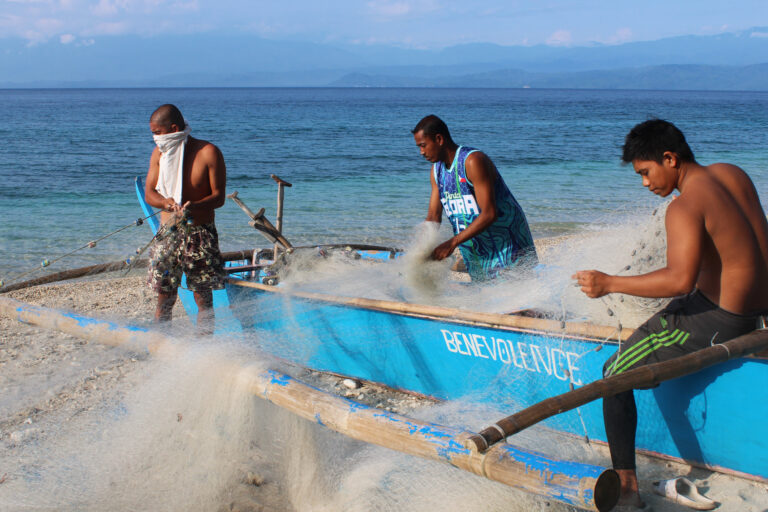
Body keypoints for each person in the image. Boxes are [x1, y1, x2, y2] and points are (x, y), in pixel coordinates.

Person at [573, 119, 768, 509]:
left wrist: (609, 283)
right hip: (758, 309)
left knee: (613, 375)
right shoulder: (732, 174)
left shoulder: (684, 206)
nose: (645, 184)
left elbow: (680, 281)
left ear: (669, 158)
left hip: (720, 318)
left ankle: (627, 489)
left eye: (646, 172)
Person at [412, 115, 537, 281]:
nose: (421, 152)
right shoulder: (436, 172)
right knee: (485, 297)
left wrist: (451, 243)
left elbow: (489, 213)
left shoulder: (472, 161)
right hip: (475, 251)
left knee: (517, 296)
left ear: (439, 139)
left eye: (423, 145)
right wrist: (419, 251)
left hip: (506, 245)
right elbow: (433, 217)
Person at [144, 104, 227, 333]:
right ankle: (161, 343)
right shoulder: (159, 154)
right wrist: (166, 203)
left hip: (200, 234)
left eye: (158, 133)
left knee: (204, 300)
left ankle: (204, 349)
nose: (155, 139)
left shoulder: (208, 152)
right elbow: (150, 192)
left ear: (173, 129)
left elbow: (219, 197)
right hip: (168, 234)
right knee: (164, 297)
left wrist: (195, 206)